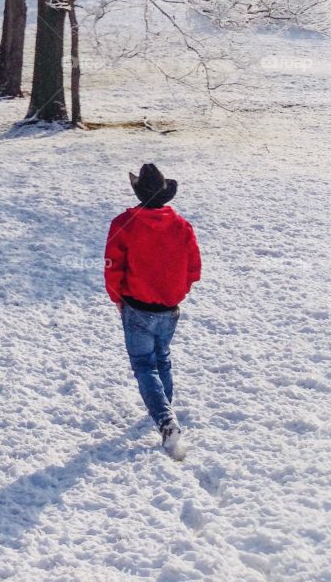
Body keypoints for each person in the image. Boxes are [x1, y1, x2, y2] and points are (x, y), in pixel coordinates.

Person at [104, 163, 201, 460]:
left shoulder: (124, 224)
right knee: (163, 359)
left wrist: (118, 299)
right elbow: (194, 269)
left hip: (136, 307)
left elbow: (112, 268)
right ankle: (164, 408)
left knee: (145, 365)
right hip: (169, 308)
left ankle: (165, 420)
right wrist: (177, 292)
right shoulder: (182, 226)